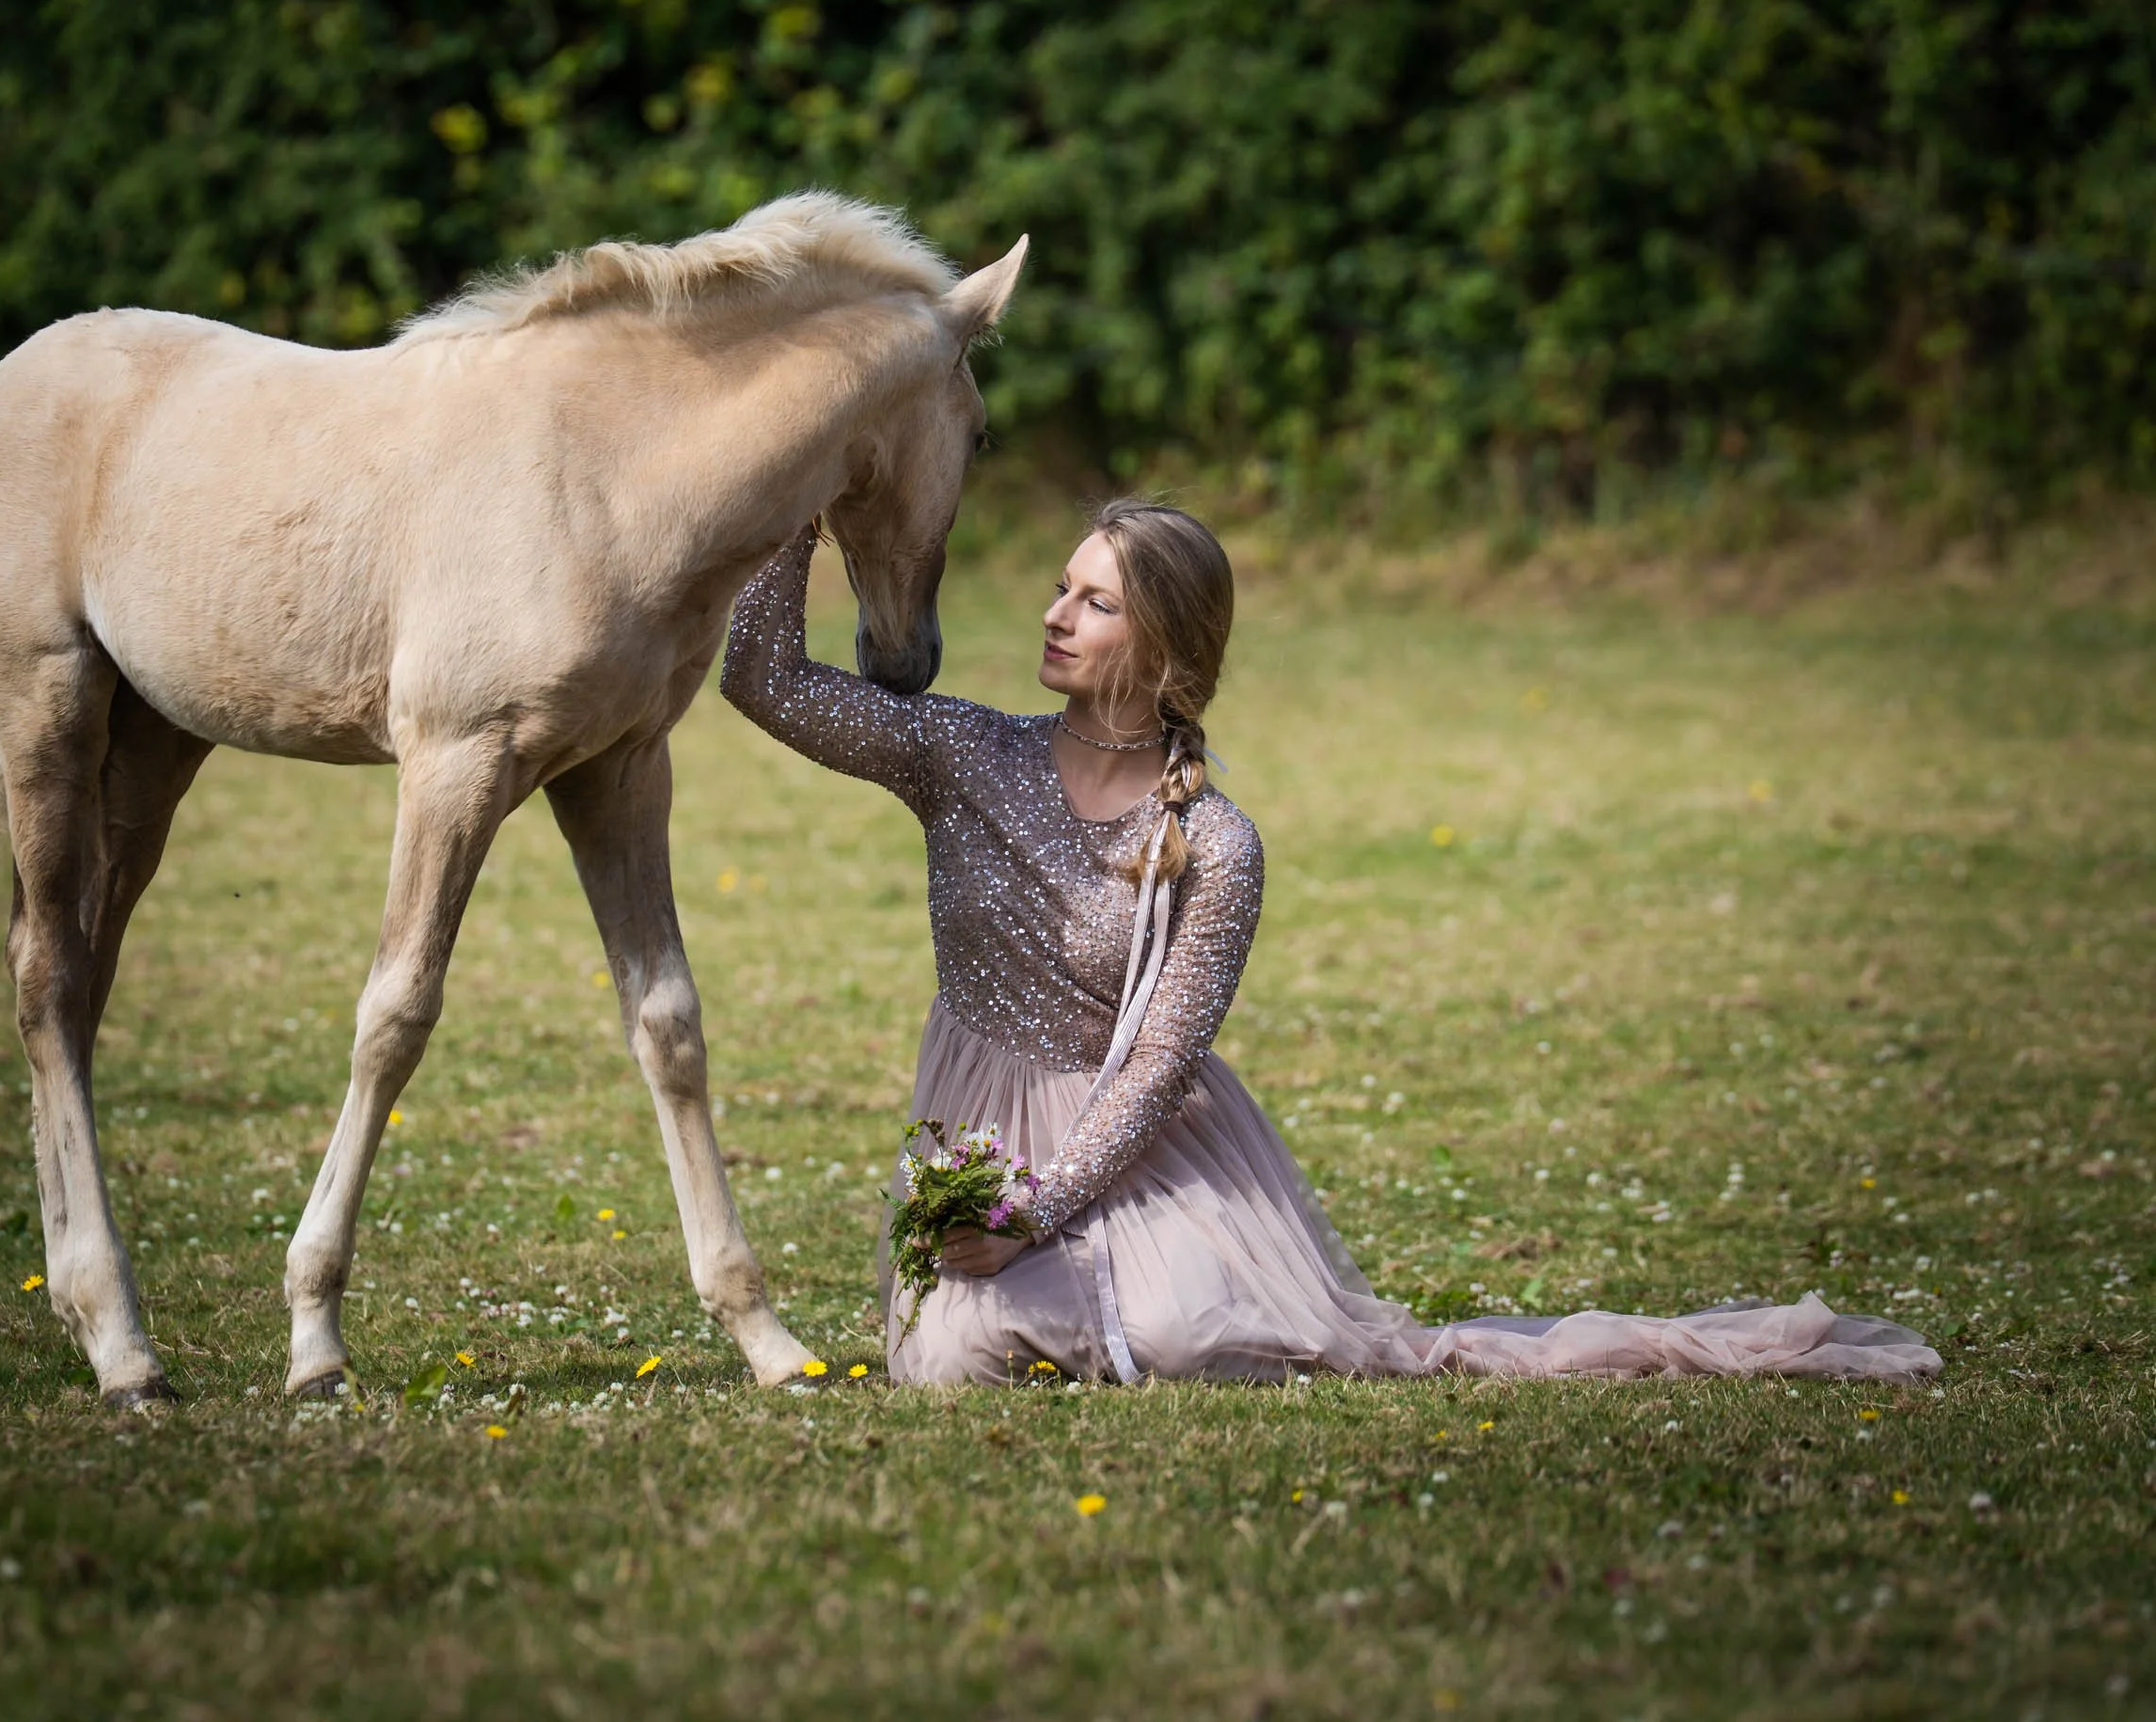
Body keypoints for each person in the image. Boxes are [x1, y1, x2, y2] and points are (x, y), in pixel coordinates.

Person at [719, 499, 1941, 1386]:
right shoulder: (959, 753)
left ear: (1165, 650)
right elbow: (763, 679)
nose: (1052, 615)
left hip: (1141, 1151)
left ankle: (1133, 1283)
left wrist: (1042, 1210)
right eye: (1059, 587)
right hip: (978, 1129)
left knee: (1197, 1336)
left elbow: (1153, 1069)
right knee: (954, 1360)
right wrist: (802, 501)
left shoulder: (1220, 846)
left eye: (1094, 602)